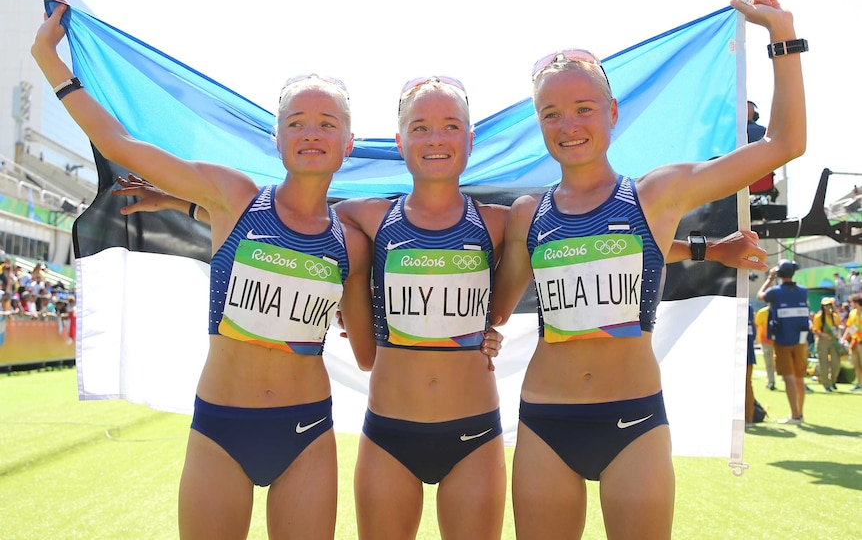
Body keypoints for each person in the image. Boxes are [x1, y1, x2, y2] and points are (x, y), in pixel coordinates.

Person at [113, 79, 769, 540]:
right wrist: (178, 203)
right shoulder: (367, 216)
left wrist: (711, 244)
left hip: (475, 434)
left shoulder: (498, 220)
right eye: (420, 128)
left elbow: (590, 250)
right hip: (386, 432)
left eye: (450, 126)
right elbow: (286, 222)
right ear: (397, 141)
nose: (435, 138)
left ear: (471, 139)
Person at [33, 0, 379, 540]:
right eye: (297, 122)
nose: (312, 132)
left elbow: (366, 357)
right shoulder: (233, 196)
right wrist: (49, 59)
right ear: (277, 136)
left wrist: (467, 334)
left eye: (327, 123)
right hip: (221, 427)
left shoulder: (353, 246)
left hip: (307, 431)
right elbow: (120, 143)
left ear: (349, 141)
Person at [489, 0, 805, 540]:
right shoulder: (526, 215)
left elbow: (784, 142)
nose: (569, 126)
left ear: (611, 113)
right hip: (543, 422)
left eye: (583, 109)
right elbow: (494, 310)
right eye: (552, 114)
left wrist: (782, 36)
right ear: (539, 123)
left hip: (633, 419)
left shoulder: (658, 193)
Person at [757, 260, 810, 424]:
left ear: (779, 274)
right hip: (801, 340)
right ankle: (799, 413)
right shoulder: (802, 291)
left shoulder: (775, 292)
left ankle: (795, 416)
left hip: (782, 340)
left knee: (789, 378)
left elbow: (760, 295)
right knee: (799, 378)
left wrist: (769, 278)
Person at [812, 297, 843, 392]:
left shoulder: (835, 316)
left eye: (829, 305)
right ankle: (826, 385)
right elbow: (815, 330)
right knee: (823, 363)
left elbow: (838, 327)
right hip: (822, 341)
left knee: (836, 363)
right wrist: (823, 334)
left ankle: (833, 381)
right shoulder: (818, 317)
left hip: (833, 340)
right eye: (825, 305)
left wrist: (838, 333)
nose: (827, 307)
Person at [755, 304, 776, 390]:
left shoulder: (779, 310)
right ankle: (771, 382)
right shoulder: (762, 312)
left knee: (781, 362)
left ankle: (786, 380)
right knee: (769, 362)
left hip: (779, 341)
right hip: (766, 340)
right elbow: (756, 324)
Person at [843, 294, 862, 391]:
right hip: (855, 341)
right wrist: (844, 338)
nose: (851, 304)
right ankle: (859, 383)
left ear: (856, 303)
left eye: (852, 302)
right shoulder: (852, 313)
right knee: (857, 364)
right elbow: (850, 327)